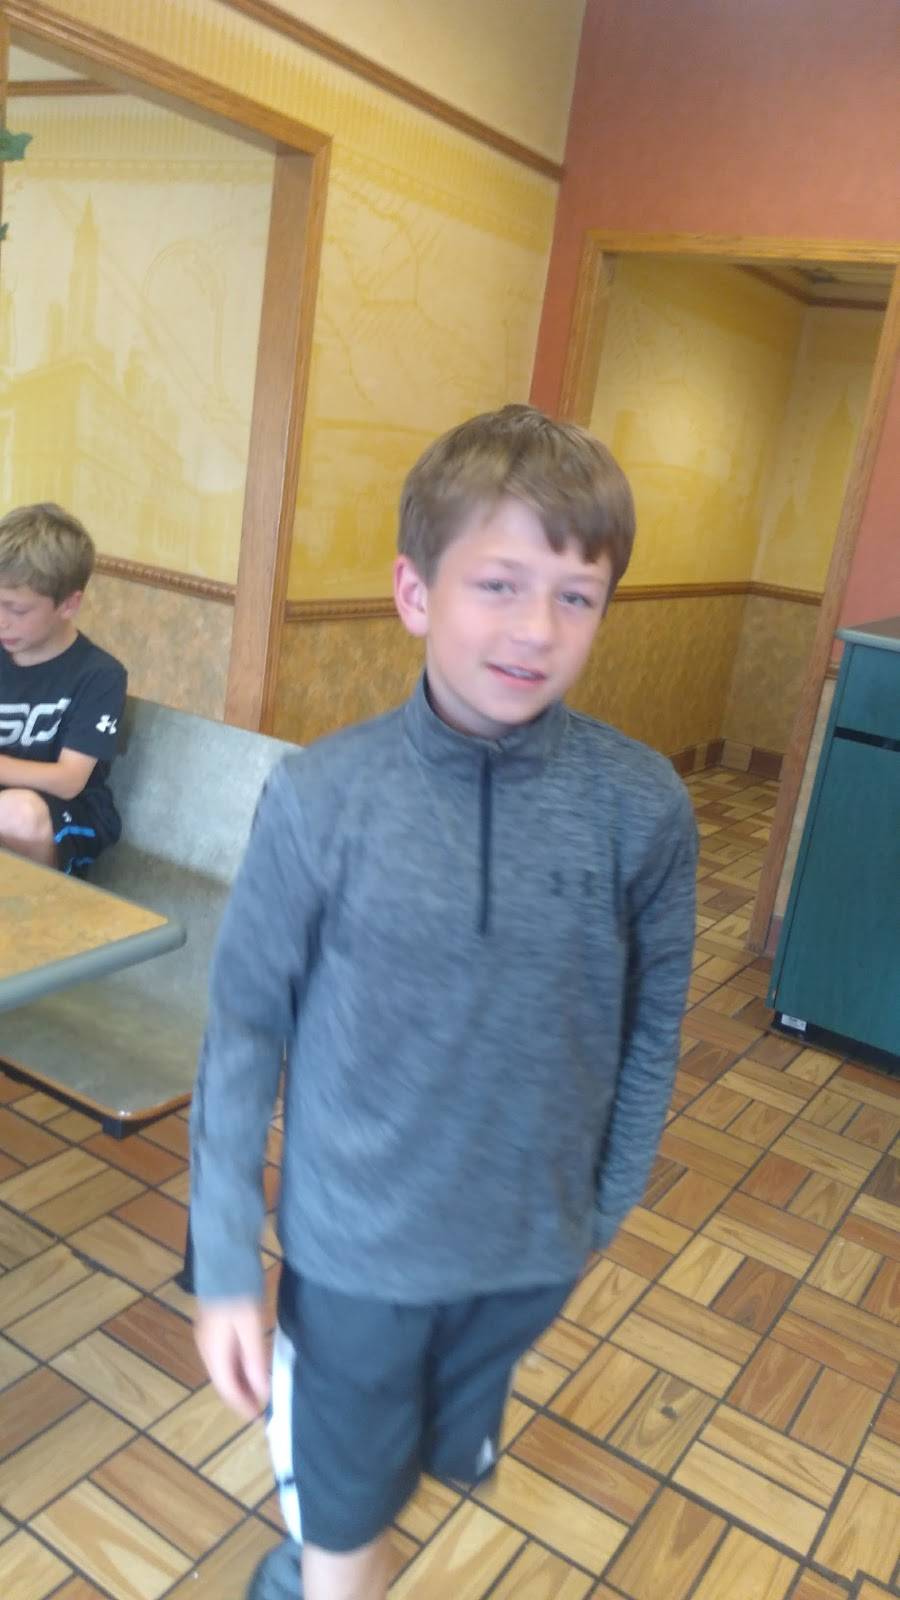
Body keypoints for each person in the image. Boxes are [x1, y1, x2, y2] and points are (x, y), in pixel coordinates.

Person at [189, 405, 698, 1600]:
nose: (536, 629)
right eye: (500, 584)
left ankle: (322, 1548)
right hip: (356, 1259)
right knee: (350, 1512)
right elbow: (245, 1029)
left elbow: (652, 1026)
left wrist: (601, 1209)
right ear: (415, 592)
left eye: (576, 596)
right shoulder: (321, 798)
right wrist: (223, 1261)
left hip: (529, 1255)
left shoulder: (643, 807)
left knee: (404, 1468)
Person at [0, 502, 126, 875]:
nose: (1, 621)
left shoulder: (100, 675)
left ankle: (40, 911)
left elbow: (69, 780)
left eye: (17, 610)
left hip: (65, 813)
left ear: (69, 605)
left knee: (18, 812)